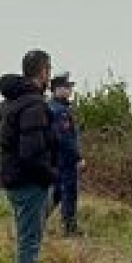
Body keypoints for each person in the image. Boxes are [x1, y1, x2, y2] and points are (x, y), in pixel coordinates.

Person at [0, 49, 60, 263]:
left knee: (29, 240)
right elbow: (31, 151)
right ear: (43, 72)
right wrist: (50, 175)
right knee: (29, 242)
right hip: (29, 183)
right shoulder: (34, 105)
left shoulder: (16, 101)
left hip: (19, 180)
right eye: (49, 70)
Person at [48, 73, 83, 236]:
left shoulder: (52, 107)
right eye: (67, 87)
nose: (70, 90)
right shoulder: (60, 111)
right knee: (68, 193)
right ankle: (70, 228)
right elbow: (65, 139)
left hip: (55, 159)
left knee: (56, 193)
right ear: (57, 89)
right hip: (65, 160)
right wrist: (77, 157)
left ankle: (39, 221)